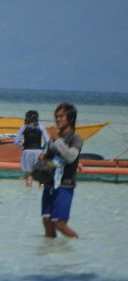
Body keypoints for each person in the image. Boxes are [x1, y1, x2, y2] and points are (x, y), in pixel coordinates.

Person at [38, 102, 82, 239]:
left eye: (61, 116)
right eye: (56, 116)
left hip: (65, 185)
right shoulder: (52, 139)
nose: (57, 119)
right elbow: (48, 160)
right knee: (47, 221)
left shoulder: (76, 139)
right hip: (50, 185)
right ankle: (50, 250)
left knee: (60, 224)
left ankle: (79, 244)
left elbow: (70, 157)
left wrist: (57, 139)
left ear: (71, 118)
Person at [14, 109, 50, 188]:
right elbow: (47, 141)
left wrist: (23, 145)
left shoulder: (24, 127)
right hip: (39, 152)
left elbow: (16, 141)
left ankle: (29, 191)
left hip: (27, 152)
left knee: (29, 175)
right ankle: (41, 190)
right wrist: (43, 148)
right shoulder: (40, 126)